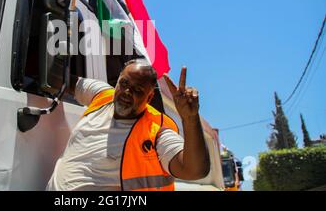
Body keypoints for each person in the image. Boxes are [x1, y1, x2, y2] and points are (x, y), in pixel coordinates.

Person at [46, 59, 210, 191]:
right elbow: (59, 80)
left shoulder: (156, 132)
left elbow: (194, 170)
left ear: (149, 97)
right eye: (124, 83)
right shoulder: (102, 96)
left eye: (137, 90)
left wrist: (190, 119)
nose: (126, 92)